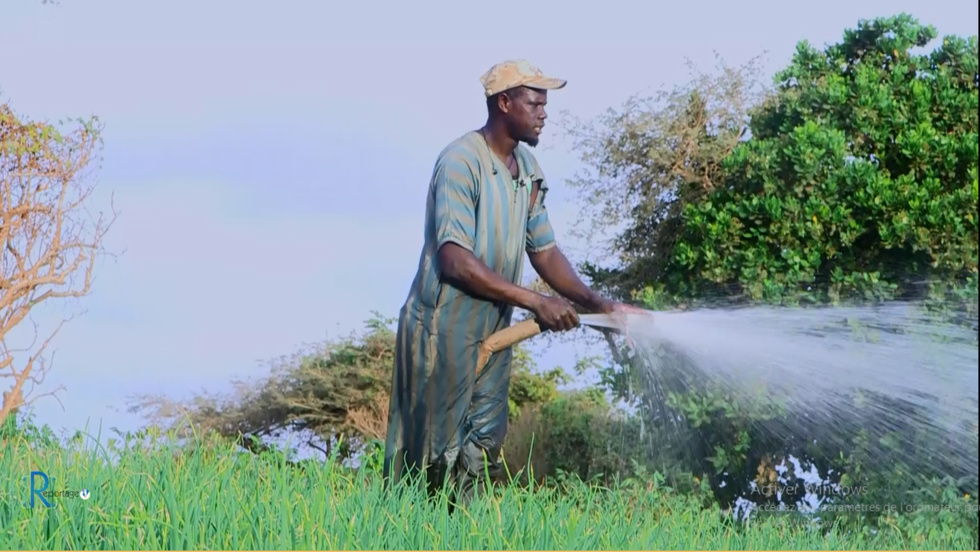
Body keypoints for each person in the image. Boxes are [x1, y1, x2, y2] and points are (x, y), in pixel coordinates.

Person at [382, 59, 643, 505]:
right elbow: (453, 260)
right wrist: (534, 302)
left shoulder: (528, 167)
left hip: (493, 331)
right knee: (431, 454)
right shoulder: (462, 162)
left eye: (545, 104)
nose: (544, 113)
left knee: (481, 443)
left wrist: (600, 303)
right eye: (535, 102)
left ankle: (459, 534)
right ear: (504, 103)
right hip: (443, 329)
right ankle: (405, 533)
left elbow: (543, 251)